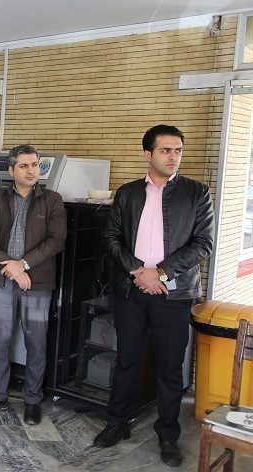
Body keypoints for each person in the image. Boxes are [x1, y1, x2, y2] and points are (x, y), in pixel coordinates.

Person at [93, 125, 214, 467]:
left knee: (170, 366)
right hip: (131, 290)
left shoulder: (196, 192)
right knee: (126, 359)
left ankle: (167, 435)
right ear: (148, 154)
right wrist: (138, 271)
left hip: (173, 294)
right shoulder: (129, 192)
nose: (174, 157)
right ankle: (117, 423)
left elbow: (203, 244)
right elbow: (111, 237)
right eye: (166, 150)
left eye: (178, 150)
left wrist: (159, 273)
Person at [0, 144, 67, 424]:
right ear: (11, 169)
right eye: (24, 166)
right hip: (2, 280)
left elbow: (56, 241)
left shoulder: (52, 200)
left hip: (37, 283)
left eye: (35, 165)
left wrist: (24, 264)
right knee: (0, 340)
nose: (31, 171)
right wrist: (12, 268)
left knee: (36, 342)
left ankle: (32, 400)